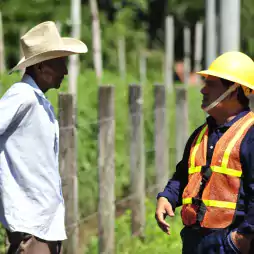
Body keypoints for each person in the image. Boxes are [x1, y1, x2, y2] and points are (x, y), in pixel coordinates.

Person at [0, 21, 87, 253]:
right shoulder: (22, 96)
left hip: (42, 224)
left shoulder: (36, 100)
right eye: (60, 62)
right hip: (32, 225)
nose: (66, 71)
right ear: (40, 67)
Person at [155, 51, 254, 254]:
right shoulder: (200, 134)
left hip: (230, 244)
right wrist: (168, 197)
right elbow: (184, 175)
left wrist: (242, 238)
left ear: (234, 91)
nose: (202, 90)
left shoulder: (250, 135)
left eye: (211, 84)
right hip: (195, 241)